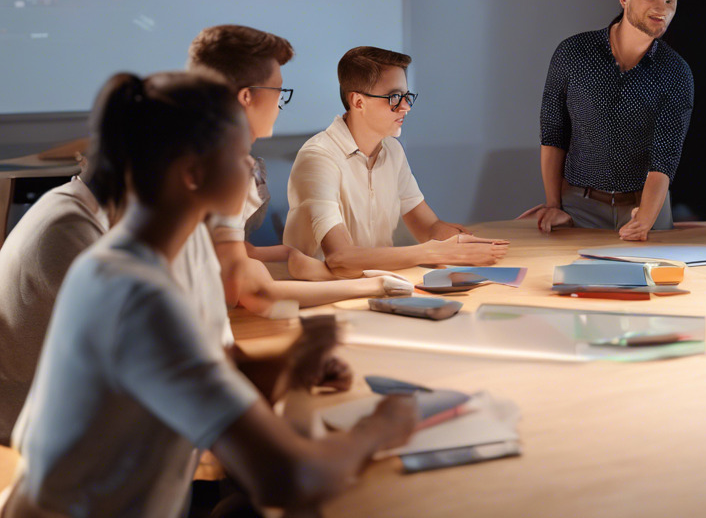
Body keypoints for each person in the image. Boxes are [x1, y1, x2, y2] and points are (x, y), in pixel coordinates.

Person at [0, 71, 415, 518]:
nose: (253, 170)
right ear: (193, 173)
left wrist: (291, 362)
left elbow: (197, 369)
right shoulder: (136, 294)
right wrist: (379, 429)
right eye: (241, 157)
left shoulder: (126, 261)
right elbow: (290, 477)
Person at [0, 78, 230, 444]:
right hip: (45, 440)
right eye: (236, 152)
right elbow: (159, 368)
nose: (249, 164)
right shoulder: (67, 230)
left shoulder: (82, 214)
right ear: (186, 169)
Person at [187, 25, 414, 306]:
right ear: (247, 97)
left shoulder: (192, 155)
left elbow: (223, 248)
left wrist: (290, 257)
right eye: (278, 92)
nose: (280, 103)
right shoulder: (227, 169)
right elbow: (250, 290)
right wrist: (373, 285)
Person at [283, 46, 508, 276]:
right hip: (323, 295)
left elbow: (428, 227)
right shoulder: (318, 157)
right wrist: (434, 253)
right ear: (358, 102)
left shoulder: (392, 150)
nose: (406, 107)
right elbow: (340, 258)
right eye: (394, 97)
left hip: (377, 286)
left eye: (407, 96)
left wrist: (461, 243)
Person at [521, 0, 694, 241]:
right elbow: (553, 135)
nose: (661, 9)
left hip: (647, 207)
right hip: (579, 206)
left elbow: (664, 159)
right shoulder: (573, 53)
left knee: (653, 282)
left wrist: (646, 219)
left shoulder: (676, 72)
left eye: (669, 1)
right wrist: (554, 205)